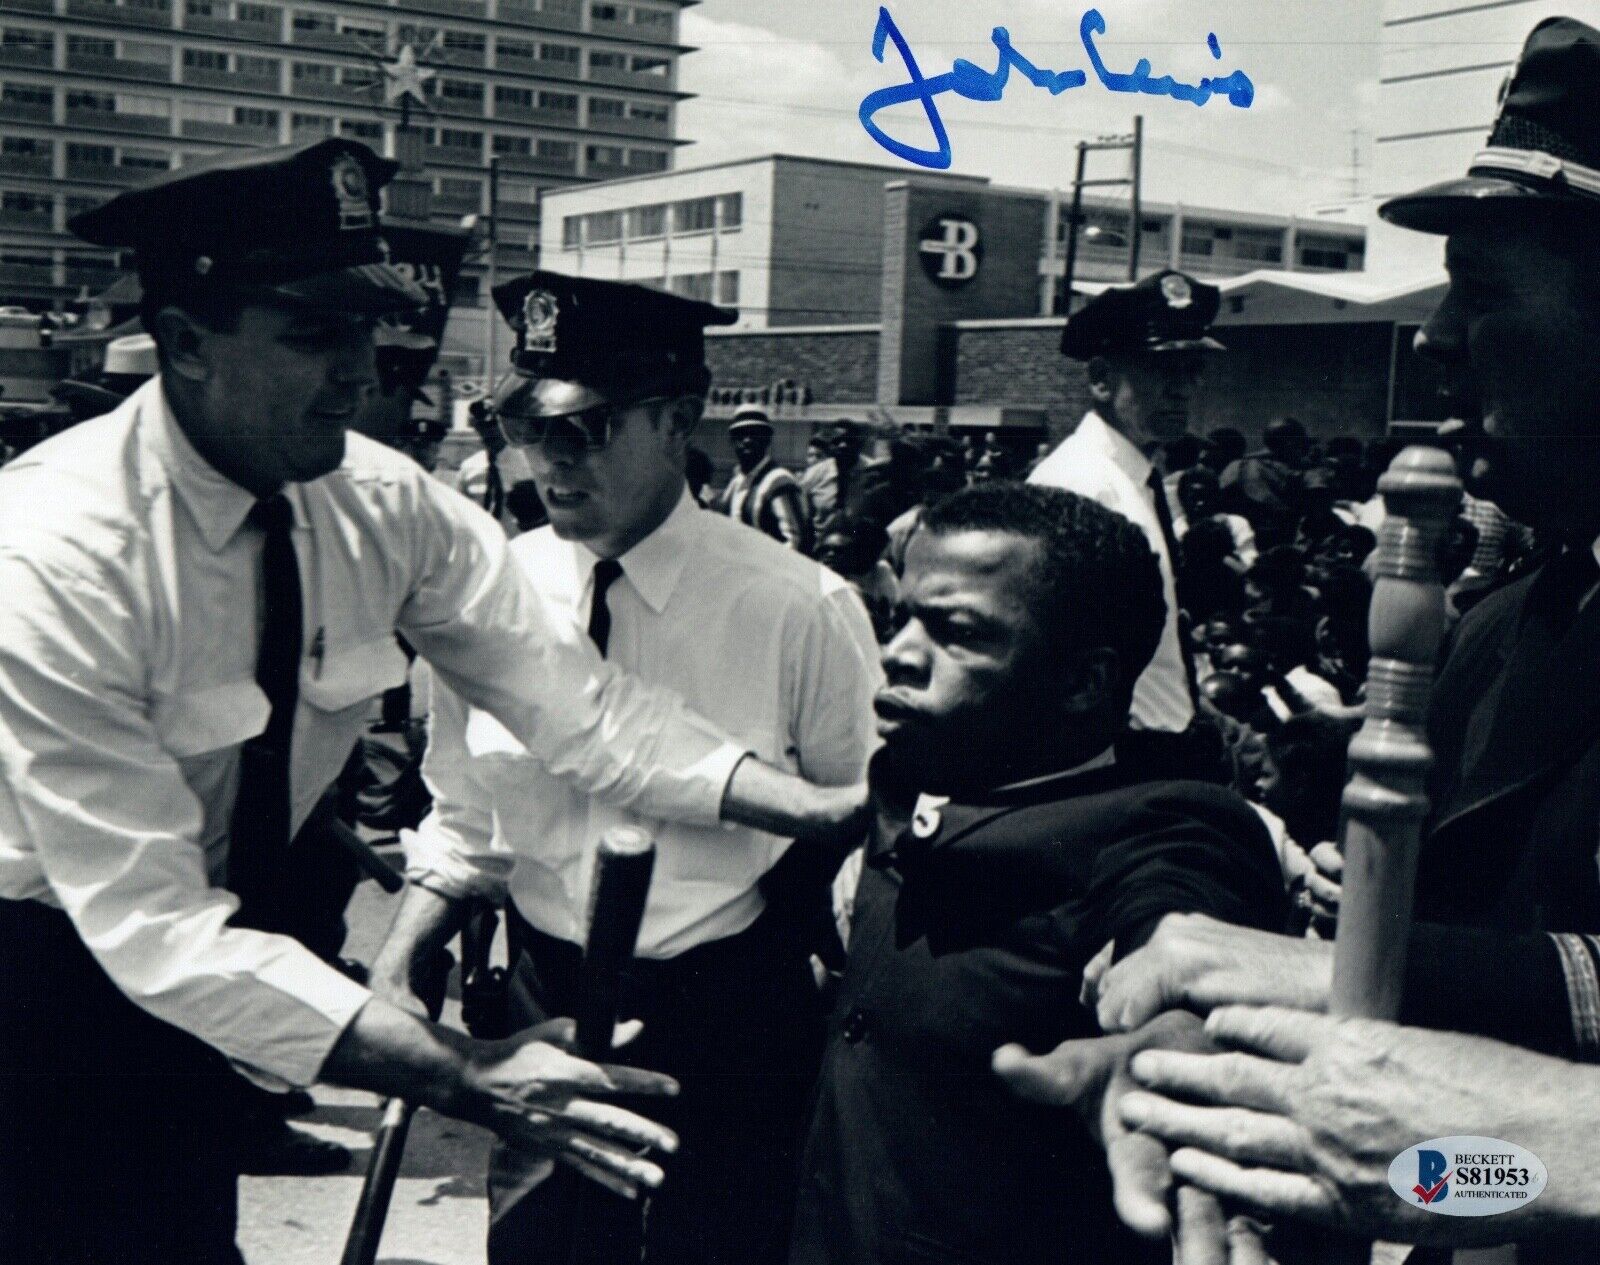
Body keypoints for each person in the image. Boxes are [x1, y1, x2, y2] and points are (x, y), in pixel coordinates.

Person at [0, 139, 863, 1264]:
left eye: (369, 331)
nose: (361, 372)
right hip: (46, 982)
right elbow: (148, 925)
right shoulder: (57, 548)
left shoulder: (378, 502)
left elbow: (579, 706)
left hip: (214, 974)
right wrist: (470, 1070)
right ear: (185, 344)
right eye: (316, 334)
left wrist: (814, 806)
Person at [1005, 17, 1600, 1254]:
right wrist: (1235, 1080)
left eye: (1482, 293)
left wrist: (1447, 1153)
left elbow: (1501, 1157)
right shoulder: (1510, 624)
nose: (1433, 342)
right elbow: (1444, 1150)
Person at [371, 271, 882, 1265]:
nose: (550, 461)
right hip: (541, 997)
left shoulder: (798, 606)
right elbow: (468, 817)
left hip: (731, 1017)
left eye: (585, 430)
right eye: (528, 429)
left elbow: (864, 820)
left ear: (674, 419)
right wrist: (400, 956)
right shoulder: (494, 593)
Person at [789, 483, 1287, 1265]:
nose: (898, 651)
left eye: (956, 632)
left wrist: (1177, 1041)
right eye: (902, 616)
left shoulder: (1159, 823)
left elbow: (1181, 927)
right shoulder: (914, 774)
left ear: (1083, 682)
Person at [1030, 269, 1225, 736]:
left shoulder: (1135, 481)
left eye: (1192, 369)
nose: (1183, 388)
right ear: (1101, 380)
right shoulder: (1078, 486)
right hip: (1122, 759)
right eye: (1160, 368)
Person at [717, 403, 811, 551]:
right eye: (740, 435)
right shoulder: (736, 483)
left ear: (767, 439)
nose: (747, 440)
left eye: (754, 434)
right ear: (732, 442)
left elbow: (794, 541)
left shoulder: (779, 481)